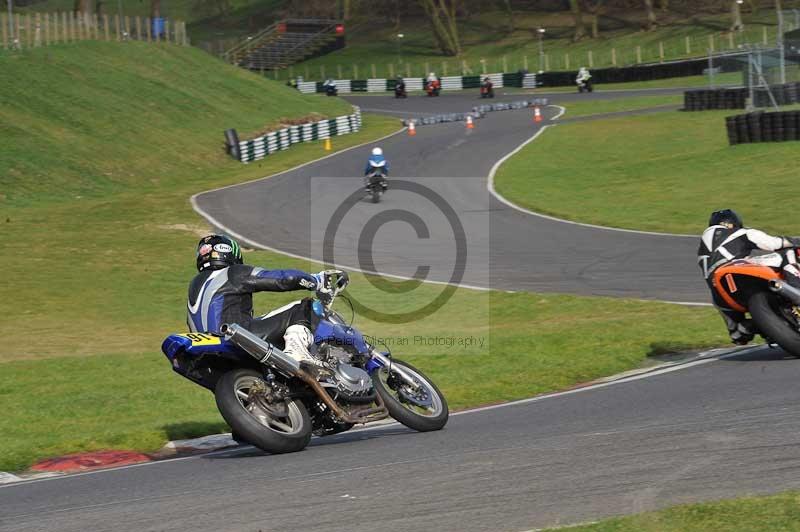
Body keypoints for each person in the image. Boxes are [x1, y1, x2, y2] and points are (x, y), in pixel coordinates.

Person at [187, 234, 327, 366]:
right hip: (237, 339)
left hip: (209, 358)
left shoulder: (194, 287)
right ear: (231, 253)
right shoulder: (233, 272)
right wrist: (317, 280)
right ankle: (297, 352)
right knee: (306, 306)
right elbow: (285, 279)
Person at [698, 209, 800, 345]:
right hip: (737, 267)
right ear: (735, 223)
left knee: (738, 336)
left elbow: (740, 342)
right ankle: (796, 288)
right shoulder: (740, 233)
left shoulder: (702, 251)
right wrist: (795, 241)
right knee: (787, 253)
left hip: (720, 291)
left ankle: (746, 328)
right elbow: (774, 244)